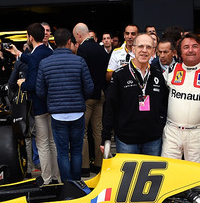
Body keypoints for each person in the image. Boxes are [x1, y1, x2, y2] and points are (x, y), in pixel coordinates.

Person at [36, 28, 93, 182]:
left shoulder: (44, 63)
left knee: (62, 152)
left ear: (54, 43)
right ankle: (76, 182)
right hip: (77, 112)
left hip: (57, 113)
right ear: (69, 42)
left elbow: (40, 91)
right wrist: (79, 98)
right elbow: (89, 88)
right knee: (76, 151)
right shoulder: (79, 61)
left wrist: (53, 98)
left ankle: (66, 184)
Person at [102, 33, 169, 155]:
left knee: (152, 174)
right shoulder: (120, 75)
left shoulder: (158, 74)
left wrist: (159, 124)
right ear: (133, 49)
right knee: (128, 175)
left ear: (153, 51)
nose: (144, 50)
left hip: (153, 139)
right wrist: (105, 136)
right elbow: (110, 107)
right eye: (140, 46)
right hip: (127, 140)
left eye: (148, 47)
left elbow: (164, 104)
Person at [161, 33, 200, 163]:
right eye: (186, 47)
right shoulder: (172, 69)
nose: (190, 50)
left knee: (194, 174)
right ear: (180, 52)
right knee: (169, 170)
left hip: (196, 133)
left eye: (195, 46)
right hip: (172, 132)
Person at [20, 22, 58, 184]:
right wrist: (19, 54)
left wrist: (22, 84)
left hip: (40, 106)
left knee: (42, 144)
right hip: (53, 104)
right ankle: (57, 176)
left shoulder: (35, 55)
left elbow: (33, 83)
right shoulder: (49, 52)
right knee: (53, 143)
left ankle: (47, 178)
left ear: (30, 37)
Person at [73, 22, 109, 174]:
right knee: (98, 130)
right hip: (101, 93)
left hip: (88, 96)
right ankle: (100, 165)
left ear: (79, 35)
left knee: (83, 131)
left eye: (76, 37)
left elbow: (82, 74)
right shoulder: (101, 49)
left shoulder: (83, 49)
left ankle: (85, 166)